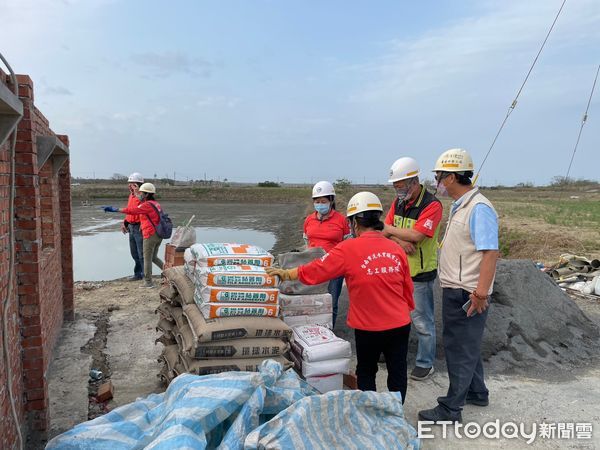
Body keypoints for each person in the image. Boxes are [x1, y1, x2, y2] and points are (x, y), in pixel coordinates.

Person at [267, 192, 415, 402]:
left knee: (366, 371)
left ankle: (370, 411)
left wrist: (287, 273)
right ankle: (395, 412)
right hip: (400, 324)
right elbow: (407, 288)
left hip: (369, 326)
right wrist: (404, 312)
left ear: (354, 223)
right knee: (397, 371)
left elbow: (318, 269)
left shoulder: (347, 248)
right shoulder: (395, 249)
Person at [418, 148, 499, 423]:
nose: (437, 182)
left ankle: (451, 408)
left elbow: (490, 252)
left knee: (458, 348)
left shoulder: (479, 208)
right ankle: (477, 391)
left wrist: (480, 293)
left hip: (468, 292)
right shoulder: (462, 205)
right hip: (458, 287)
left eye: (439, 176)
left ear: (452, 177)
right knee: (467, 345)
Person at [383, 157, 442, 381]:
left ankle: (425, 363)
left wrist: (392, 232)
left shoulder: (431, 205)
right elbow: (384, 229)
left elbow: (417, 235)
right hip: (398, 271)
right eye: (395, 187)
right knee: (396, 317)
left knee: (422, 321)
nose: (398, 191)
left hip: (420, 273)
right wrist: (400, 241)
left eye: (401, 186)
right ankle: (391, 353)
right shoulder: (398, 203)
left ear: (414, 181)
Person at [303, 181, 351, 327]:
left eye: (323, 201)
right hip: (314, 267)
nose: (320, 204)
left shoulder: (341, 220)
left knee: (331, 302)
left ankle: (330, 331)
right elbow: (306, 242)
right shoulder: (309, 220)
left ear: (331, 201)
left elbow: (347, 245)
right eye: (317, 201)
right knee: (313, 300)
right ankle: (314, 329)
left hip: (334, 269)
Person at [103, 182, 165, 288]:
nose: (139, 194)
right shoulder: (155, 204)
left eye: (141, 193)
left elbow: (132, 210)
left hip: (150, 235)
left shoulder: (146, 205)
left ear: (146, 194)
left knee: (147, 258)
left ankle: (148, 282)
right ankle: (170, 272)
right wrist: (135, 192)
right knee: (154, 257)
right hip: (158, 234)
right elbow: (138, 203)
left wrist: (115, 209)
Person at [122, 172, 144, 281]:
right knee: (134, 253)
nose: (130, 186)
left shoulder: (143, 196)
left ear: (138, 184)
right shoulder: (131, 195)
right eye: (129, 184)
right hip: (131, 226)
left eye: (132, 184)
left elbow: (145, 208)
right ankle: (138, 274)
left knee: (141, 253)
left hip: (139, 227)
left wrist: (138, 193)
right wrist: (125, 223)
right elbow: (129, 210)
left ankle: (145, 275)